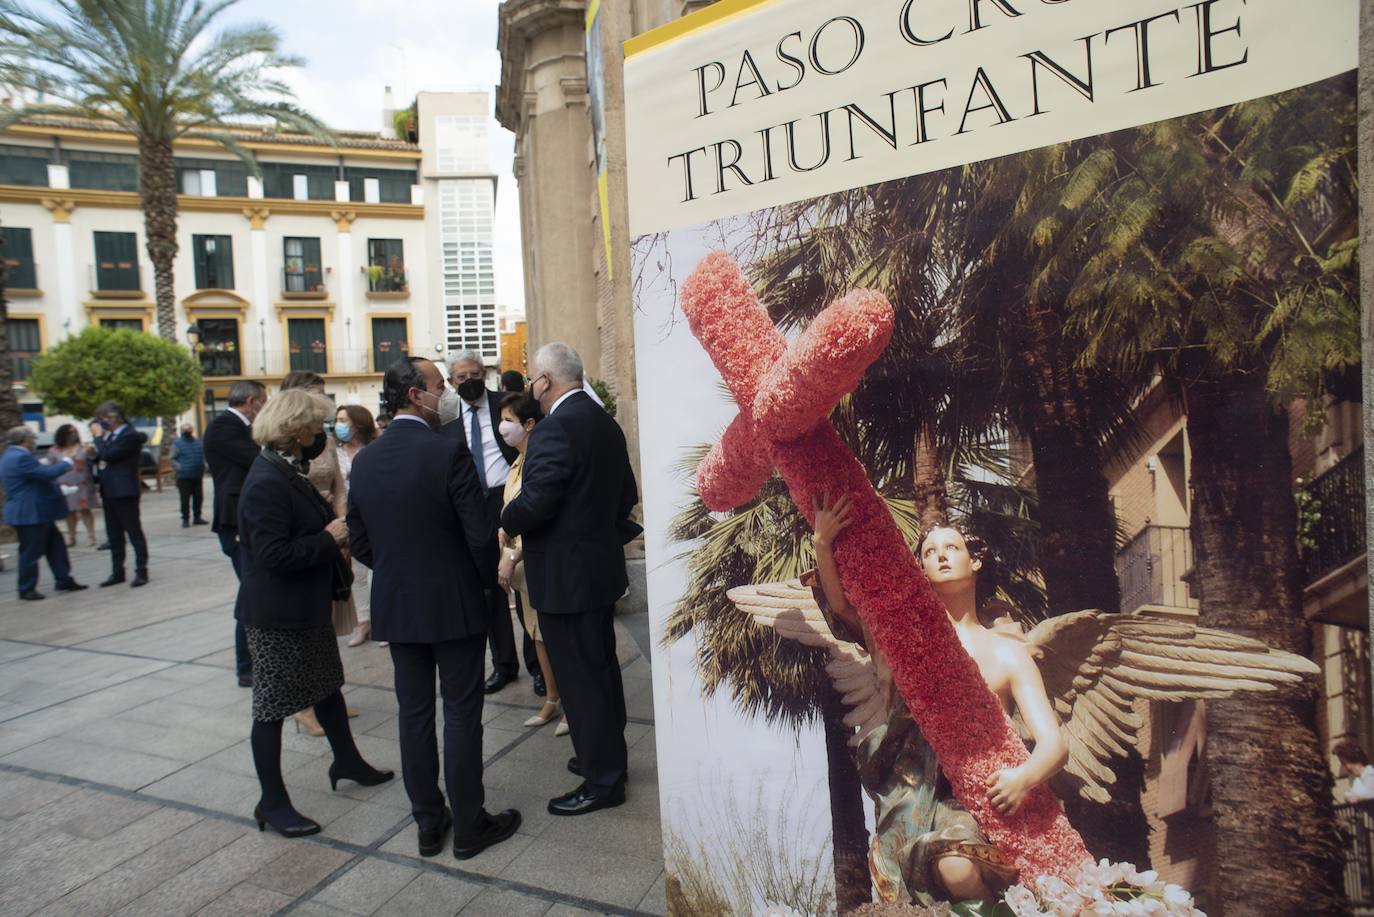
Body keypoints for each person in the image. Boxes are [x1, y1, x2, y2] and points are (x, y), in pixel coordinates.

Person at [810, 504, 1062, 902]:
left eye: (952, 547)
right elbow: (842, 606)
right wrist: (823, 543)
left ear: (976, 560)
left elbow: (1054, 744)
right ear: (921, 569)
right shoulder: (904, 640)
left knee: (956, 865)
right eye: (929, 552)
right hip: (911, 792)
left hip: (985, 801)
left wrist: (1023, 779)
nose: (941, 555)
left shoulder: (1009, 651)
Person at [347, 357, 521, 859]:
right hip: (453, 602)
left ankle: (428, 820)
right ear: (414, 395)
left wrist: (399, 568)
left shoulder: (366, 460)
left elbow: (359, 540)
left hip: (399, 604)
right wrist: (479, 581)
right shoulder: (448, 451)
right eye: (438, 385)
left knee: (414, 713)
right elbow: (477, 536)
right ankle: (469, 825)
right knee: (462, 713)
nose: (446, 392)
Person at [235, 389, 393, 838]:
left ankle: (347, 760)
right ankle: (272, 801)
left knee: (326, 686)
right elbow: (271, 555)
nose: (321, 434)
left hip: (304, 606)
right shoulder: (266, 480)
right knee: (271, 709)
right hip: (276, 615)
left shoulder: (285, 469)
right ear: (294, 430)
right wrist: (328, 537)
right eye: (315, 427)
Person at [501, 342, 639, 817]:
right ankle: (604, 760)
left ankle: (603, 781)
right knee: (599, 673)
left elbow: (535, 503)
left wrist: (504, 516)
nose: (530, 386)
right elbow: (626, 496)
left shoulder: (556, 428)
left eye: (532, 378)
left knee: (582, 680)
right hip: (596, 573)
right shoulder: (603, 423)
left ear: (544, 381)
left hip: (566, 579)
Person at [442, 351, 527, 695]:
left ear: (485, 373)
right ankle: (504, 664)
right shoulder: (446, 418)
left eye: (475, 373)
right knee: (489, 587)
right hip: (472, 506)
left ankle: (538, 667)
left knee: (520, 581)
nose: (469, 380)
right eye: (461, 377)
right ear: (451, 382)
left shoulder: (506, 405)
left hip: (508, 498)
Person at [280, 371, 354, 738]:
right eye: (315, 396)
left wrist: (341, 529)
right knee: (304, 627)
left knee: (326, 622)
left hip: (331, 536)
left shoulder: (322, 440)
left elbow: (339, 487)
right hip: (305, 540)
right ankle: (303, 705)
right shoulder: (279, 452)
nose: (323, 403)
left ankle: (329, 696)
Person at [496, 393, 567, 735]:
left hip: (533, 559)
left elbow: (538, 513)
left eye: (508, 420)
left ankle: (569, 704)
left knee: (553, 636)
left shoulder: (539, 460)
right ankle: (552, 698)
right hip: (519, 566)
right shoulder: (517, 462)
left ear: (528, 425)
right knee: (536, 634)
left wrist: (513, 554)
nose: (502, 427)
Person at [204, 380, 268, 687]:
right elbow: (257, 458)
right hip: (235, 521)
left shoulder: (235, 426)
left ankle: (253, 662)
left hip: (245, 517)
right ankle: (247, 666)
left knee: (255, 591)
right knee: (252, 593)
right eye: (264, 401)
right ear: (252, 400)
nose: (264, 408)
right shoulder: (223, 426)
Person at [1, 426, 87, 600]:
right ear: (25, 440)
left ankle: (63, 578)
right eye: (33, 438)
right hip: (31, 512)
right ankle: (26, 588)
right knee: (31, 551)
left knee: (55, 546)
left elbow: (33, 478)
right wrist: (67, 461)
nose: (34, 441)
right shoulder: (20, 457)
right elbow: (46, 474)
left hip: (35, 511)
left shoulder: (11, 455)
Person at [92, 401, 149, 588]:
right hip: (109, 490)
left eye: (103, 419)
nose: (101, 423)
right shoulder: (112, 437)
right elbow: (103, 457)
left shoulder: (129, 435)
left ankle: (141, 571)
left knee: (134, 533)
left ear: (114, 418)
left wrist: (98, 439)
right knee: (114, 534)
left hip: (124, 490)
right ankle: (117, 572)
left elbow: (110, 456)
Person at [335, 404, 378, 647]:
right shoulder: (334, 452)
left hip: (370, 515)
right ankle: (363, 622)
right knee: (357, 573)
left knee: (375, 570)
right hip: (345, 517)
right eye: (338, 419)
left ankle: (381, 618)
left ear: (358, 423)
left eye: (344, 420)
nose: (339, 424)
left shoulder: (372, 449)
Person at [53, 424, 98, 547]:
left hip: (82, 483)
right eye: (69, 433)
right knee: (69, 511)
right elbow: (50, 466)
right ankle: (71, 536)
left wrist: (92, 451)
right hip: (64, 484)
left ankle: (91, 535)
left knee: (85, 510)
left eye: (74, 432)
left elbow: (94, 458)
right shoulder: (55, 450)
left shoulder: (83, 447)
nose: (73, 435)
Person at [168, 423, 208, 528]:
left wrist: (205, 465)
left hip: (197, 474)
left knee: (198, 497)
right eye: (186, 430)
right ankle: (185, 519)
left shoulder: (198, 442)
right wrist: (180, 467)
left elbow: (204, 455)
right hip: (184, 476)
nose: (188, 431)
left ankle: (197, 517)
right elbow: (172, 458)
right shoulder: (177, 444)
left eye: (189, 429)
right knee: (185, 498)